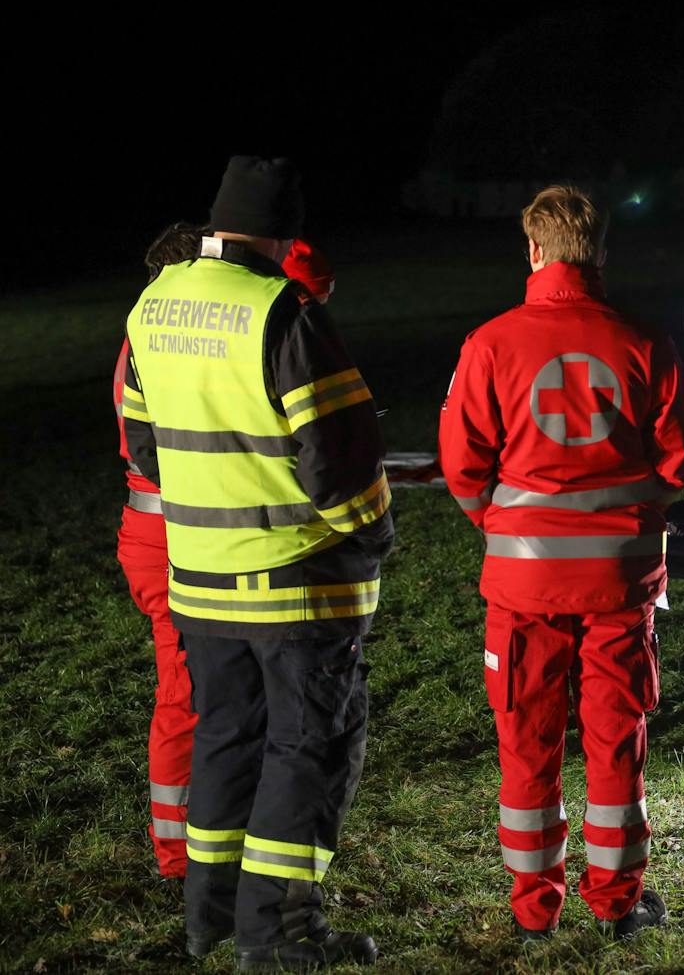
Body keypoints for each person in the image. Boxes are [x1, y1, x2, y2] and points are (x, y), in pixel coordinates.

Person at [121, 156, 393, 970]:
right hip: (293, 583)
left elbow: (144, 448)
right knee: (307, 751)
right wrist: (371, 534)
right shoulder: (282, 311)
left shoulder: (152, 303)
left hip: (197, 577)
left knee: (226, 742)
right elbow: (337, 461)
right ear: (283, 236)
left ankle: (208, 917)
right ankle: (276, 935)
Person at [438, 183, 684, 941]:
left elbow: (462, 465)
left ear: (533, 251)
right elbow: (677, 463)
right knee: (616, 737)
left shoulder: (489, 343)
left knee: (526, 737)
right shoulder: (643, 342)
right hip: (619, 581)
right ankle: (618, 902)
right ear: (599, 253)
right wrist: (626, 515)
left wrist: (506, 522)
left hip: (522, 585)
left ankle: (532, 909)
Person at [115, 222, 206, 883]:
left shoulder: (139, 340)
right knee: (185, 694)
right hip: (178, 538)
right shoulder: (168, 345)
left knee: (195, 690)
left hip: (156, 535)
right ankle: (177, 853)